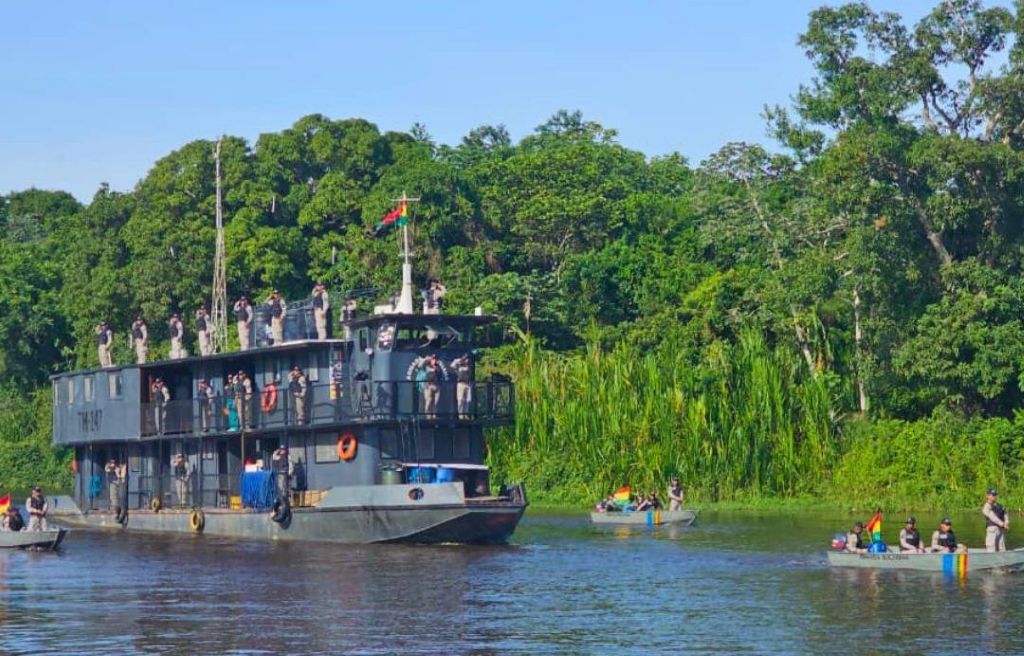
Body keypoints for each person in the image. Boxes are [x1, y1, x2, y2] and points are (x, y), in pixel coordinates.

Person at [982, 488, 1010, 552]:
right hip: (992, 530)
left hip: (1000, 530)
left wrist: (1006, 522)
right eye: (992, 495)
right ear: (987, 496)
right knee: (991, 549)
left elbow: (1005, 513)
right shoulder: (986, 507)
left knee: (1002, 549)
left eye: (995, 495)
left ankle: (1003, 561)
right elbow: (992, 517)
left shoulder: (1000, 506)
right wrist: (1003, 524)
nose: (994, 496)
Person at [418, 355, 443, 419]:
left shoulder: (438, 367)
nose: (434, 360)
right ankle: (428, 415)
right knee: (428, 401)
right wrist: (426, 359)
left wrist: (436, 368)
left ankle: (434, 415)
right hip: (428, 385)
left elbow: (440, 375)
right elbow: (419, 365)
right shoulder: (426, 366)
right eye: (433, 359)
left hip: (436, 385)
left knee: (436, 402)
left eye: (435, 359)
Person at [450, 354, 474, 419]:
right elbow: (452, 365)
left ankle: (466, 414)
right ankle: (460, 415)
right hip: (461, 384)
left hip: (467, 384)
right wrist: (460, 360)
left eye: (467, 359)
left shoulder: (469, 366)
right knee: (460, 399)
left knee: (467, 400)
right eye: (465, 359)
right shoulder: (459, 366)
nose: (466, 360)